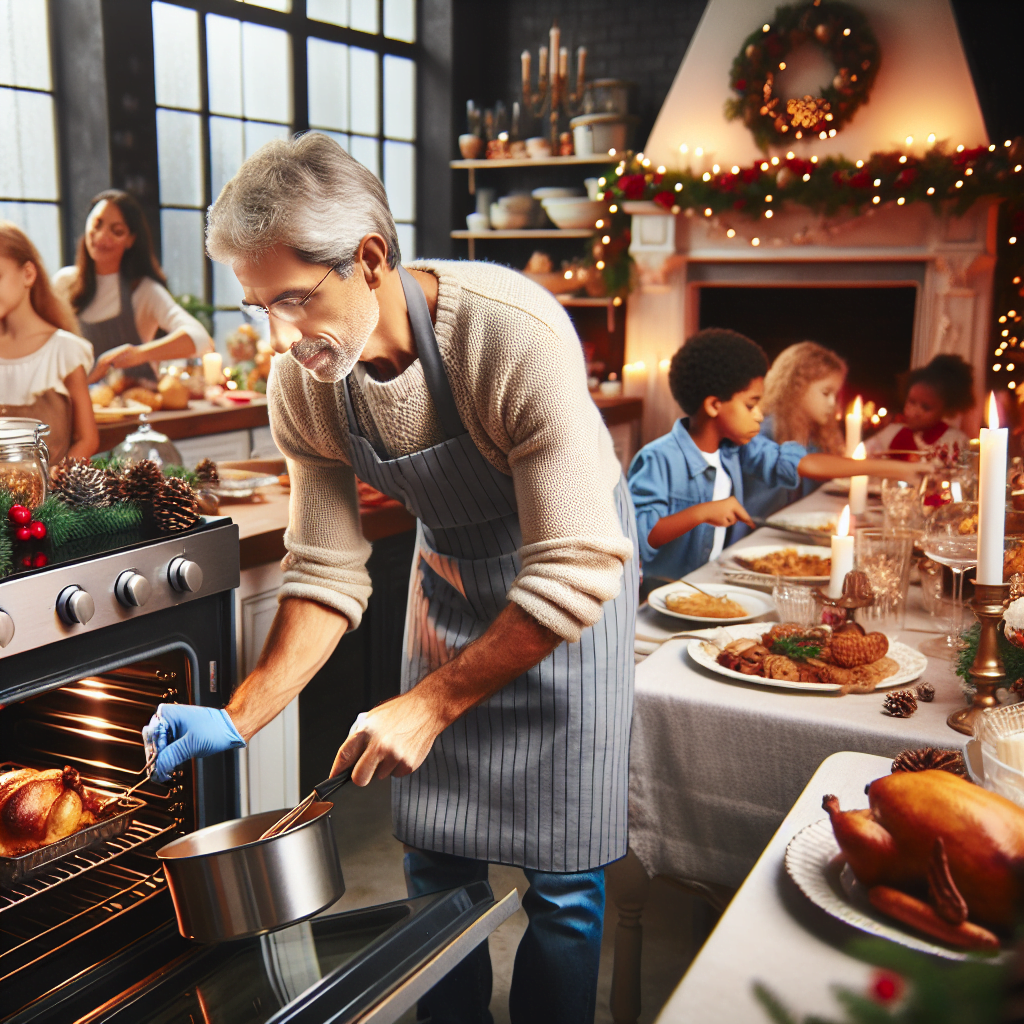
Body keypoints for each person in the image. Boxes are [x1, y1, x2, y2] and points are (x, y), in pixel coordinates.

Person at [140, 133, 636, 1024]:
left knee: (563, 893)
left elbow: (575, 562)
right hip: (447, 580)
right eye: (259, 308)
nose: (280, 340)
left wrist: (433, 702)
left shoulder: (509, 332)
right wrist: (238, 713)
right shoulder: (306, 382)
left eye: (294, 301)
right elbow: (327, 567)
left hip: (568, 594)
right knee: (436, 869)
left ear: (370, 259)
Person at [628, 328, 924, 582]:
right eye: (750, 405)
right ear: (714, 405)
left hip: (716, 580)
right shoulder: (658, 458)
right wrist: (702, 512)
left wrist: (897, 469)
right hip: (666, 589)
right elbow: (640, 539)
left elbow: (800, 463)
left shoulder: (739, 447)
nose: (759, 415)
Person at [52, 189, 211, 383]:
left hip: (136, 406)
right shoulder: (64, 283)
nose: (102, 236)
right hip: (78, 405)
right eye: (97, 224)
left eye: (116, 231)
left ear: (130, 240)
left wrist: (139, 354)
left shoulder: (144, 291)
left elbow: (201, 340)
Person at [0, 222, 98, 463]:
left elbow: (87, 439)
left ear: (28, 274)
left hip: (48, 498)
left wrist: (52, 482)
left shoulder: (64, 351)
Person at [743, 341, 847, 520]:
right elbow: (758, 509)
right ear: (797, 387)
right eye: (825, 393)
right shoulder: (766, 432)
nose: (832, 404)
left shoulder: (814, 437)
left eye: (835, 395)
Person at [865, 353, 974, 458]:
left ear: (946, 409)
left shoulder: (955, 441)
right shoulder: (892, 432)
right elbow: (863, 454)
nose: (915, 412)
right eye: (911, 402)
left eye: (926, 407)